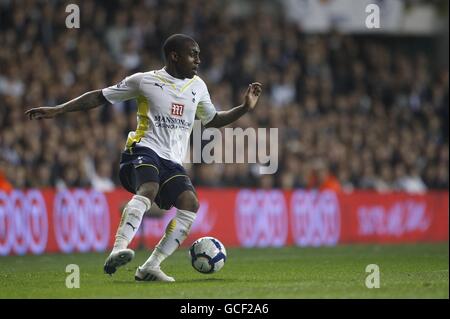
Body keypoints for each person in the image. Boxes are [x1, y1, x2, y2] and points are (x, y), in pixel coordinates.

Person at [25, 34, 262, 282]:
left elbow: (212, 119)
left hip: (172, 161)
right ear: (174, 56)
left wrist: (244, 108)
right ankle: (119, 248)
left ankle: (151, 266)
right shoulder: (145, 81)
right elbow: (100, 96)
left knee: (190, 203)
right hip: (141, 149)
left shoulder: (198, 87)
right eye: (193, 54)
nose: (198, 60)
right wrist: (59, 109)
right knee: (149, 188)